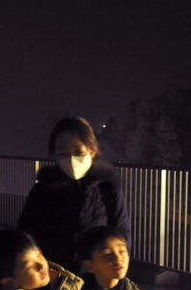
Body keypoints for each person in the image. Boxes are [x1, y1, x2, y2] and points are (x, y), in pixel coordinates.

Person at [17, 116, 131, 274]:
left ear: (92, 150)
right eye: (63, 153)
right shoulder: (42, 190)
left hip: (96, 277)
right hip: (54, 278)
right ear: (55, 155)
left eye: (78, 152)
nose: (71, 159)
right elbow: (27, 233)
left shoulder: (107, 187)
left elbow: (121, 232)